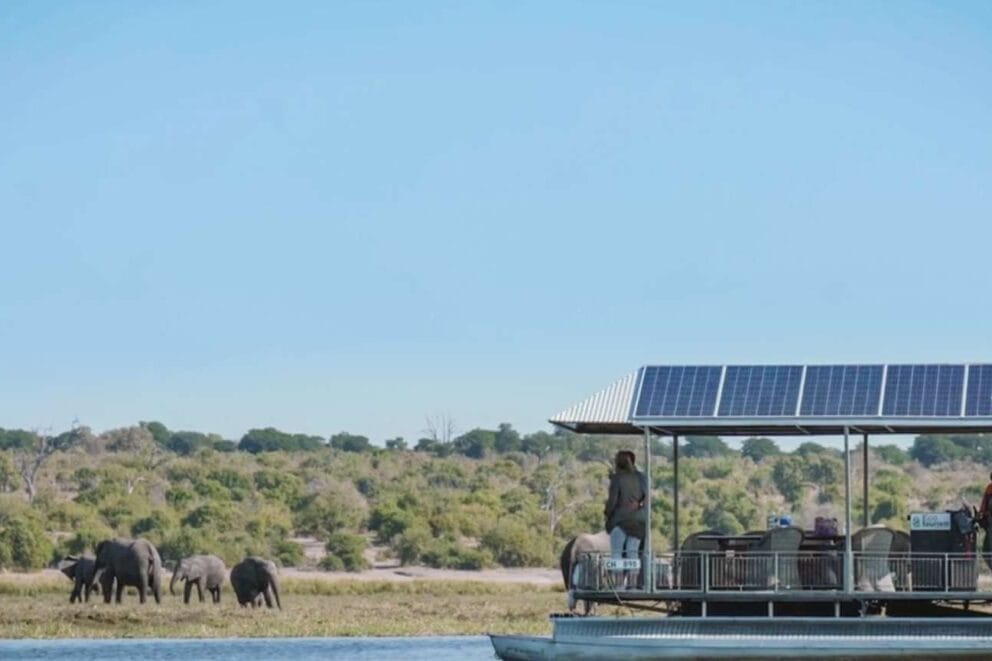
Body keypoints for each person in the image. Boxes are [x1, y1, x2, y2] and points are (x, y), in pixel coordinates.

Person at [604, 450, 649, 583]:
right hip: (639, 521)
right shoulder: (642, 477)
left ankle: (618, 583)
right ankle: (632, 583)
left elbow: (612, 501)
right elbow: (647, 498)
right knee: (632, 552)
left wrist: (607, 513)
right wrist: (639, 505)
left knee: (617, 552)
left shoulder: (617, 479)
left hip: (620, 520)